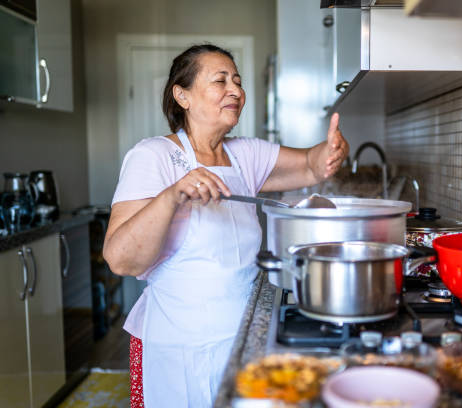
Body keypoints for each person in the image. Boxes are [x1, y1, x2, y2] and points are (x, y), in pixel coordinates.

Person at [103, 44, 348, 407]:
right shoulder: (152, 156)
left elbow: (311, 166)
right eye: (220, 81)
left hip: (244, 334)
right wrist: (172, 195)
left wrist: (328, 152)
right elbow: (121, 260)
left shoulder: (244, 154)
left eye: (237, 80)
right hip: (176, 343)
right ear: (182, 95)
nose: (235, 90)